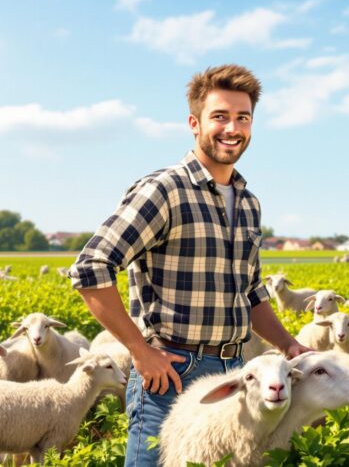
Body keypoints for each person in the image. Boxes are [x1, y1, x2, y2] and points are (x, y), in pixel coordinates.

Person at [68, 64, 310, 466]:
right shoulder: (164, 190)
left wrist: (287, 344)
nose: (232, 128)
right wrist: (140, 350)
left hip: (236, 377)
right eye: (220, 116)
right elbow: (91, 267)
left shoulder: (248, 203)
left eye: (243, 117)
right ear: (194, 123)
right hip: (171, 374)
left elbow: (251, 291)